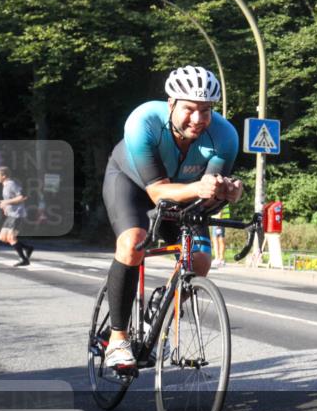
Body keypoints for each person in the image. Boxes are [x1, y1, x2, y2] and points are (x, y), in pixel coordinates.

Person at [102, 66, 243, 371]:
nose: (198, 118)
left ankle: (161, 304)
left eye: (206, 110)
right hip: (133, 185)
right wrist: (200, 187)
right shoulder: (143, 121)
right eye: (190, 109)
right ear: (171, 103)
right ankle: (117, 339)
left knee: (200, 261)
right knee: (132, 243)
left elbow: (204, 201)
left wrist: (224, 192)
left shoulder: (225, 136)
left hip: (182, 195)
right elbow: (158, 194)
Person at [0, 166, 34, 266]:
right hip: (11, 215)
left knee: (11, 238)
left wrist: (6, 202)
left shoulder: (11, 184)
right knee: (2, 237)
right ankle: (28, 248)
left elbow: (23, 196)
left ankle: (24, 259)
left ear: (4, 176)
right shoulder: (5, 185)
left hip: (17, 214)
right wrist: (5, 207)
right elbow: (10, 200)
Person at [210, 204, 229, 268]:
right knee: (219, 240)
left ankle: (219, 258)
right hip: (219, 220)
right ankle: (219, 258)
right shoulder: (224, 198)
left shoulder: (220, 198)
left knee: (218, 240)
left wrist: (218, 221)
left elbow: (220, 210)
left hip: (218, 221)